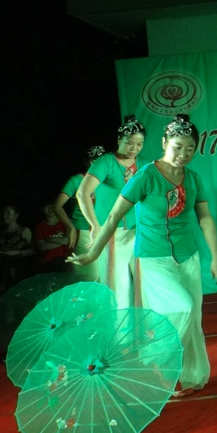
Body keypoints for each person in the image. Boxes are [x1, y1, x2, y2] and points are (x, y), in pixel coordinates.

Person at [70, 115, 217, 398]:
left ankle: (190, 376)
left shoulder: (193, 179)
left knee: (193, 318)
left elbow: (205, 218)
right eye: (177, 147)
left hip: (188, 257)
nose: (183, 154)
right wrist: (93, 252)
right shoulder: (145, 176)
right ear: (164, 143)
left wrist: (216, 258)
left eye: (190, 148)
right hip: (154, 259)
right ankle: (155, 358)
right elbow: (113, 216)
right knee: (182, 307)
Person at [77, 116, 147, 308]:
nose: (134, 148)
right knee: (116, 284)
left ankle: (143, 323)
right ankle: (118, 325)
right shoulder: (105, 162)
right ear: (118, 140)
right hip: (112, 231)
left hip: (140, 231)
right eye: (129, 143)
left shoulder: (144, 165)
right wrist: (94, 225)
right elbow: (82, 193)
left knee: (144, 282)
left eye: (139, 144)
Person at [53, 146, 105, 281]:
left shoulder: (108, 180)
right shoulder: (76, 180)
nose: (96, 164)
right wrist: (70, 227)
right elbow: (57, 206)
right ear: (86, 162)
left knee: (105, 274)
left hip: (105, 230)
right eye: (93, 161)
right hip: (83, 230)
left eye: (99, 161)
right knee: (90, 274)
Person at [0, 205, 34, 295]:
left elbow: (33, 250)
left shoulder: (24, 231)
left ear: (16, 215)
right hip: (2, 269)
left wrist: (18, 253)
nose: (4, 216)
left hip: (19, 268)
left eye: (8, 213)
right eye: (4, 213)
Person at [34, 203, 72, 272]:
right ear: (42, 209)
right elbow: (42, 246)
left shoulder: (65, 223)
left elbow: (67, 240)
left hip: (64, 261)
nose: (50, 209)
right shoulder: (40, 226)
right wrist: (62, 241)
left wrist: (49, 239)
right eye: (47, 206)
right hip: (46, 263)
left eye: (52, 206)